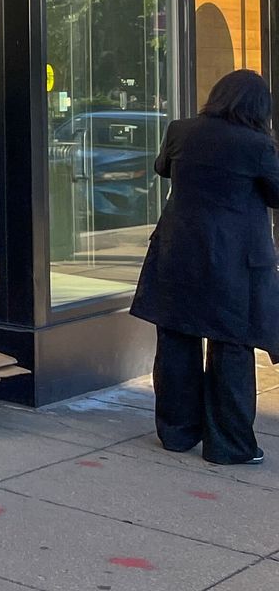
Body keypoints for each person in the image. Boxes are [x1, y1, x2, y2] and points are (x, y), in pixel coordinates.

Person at [131, 69, 279, 466]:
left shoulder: (182, 130)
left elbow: (163, 167)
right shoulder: (258, 146)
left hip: (178, 252)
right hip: (234, 263)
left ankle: (177, 434)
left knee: (176, 340)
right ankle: (229, 445)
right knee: (231, 346)